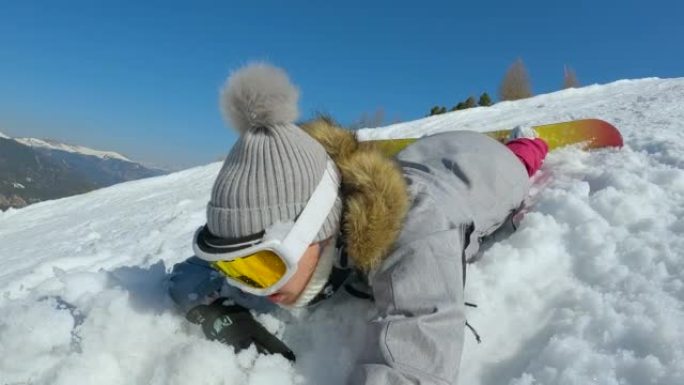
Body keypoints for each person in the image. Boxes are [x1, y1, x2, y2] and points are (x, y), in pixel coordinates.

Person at [168, 63, 548, 385]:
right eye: (233, 267)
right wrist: (222, 314)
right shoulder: (310, 234)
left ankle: (527, 143)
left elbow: (413, 358)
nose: (247, 285)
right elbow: (189, 276)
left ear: (316, 230)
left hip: (483, 168)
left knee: (519, 162)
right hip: (420, 159)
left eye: (262, 266)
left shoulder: (420, 229)